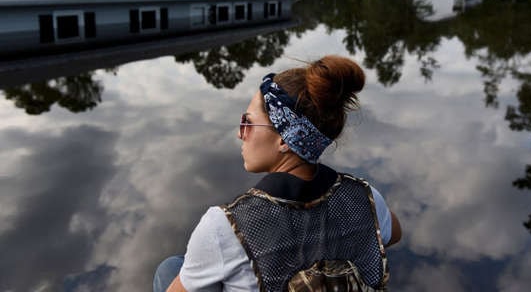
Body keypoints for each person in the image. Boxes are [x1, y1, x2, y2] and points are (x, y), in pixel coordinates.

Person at [154, 55, 402, 292]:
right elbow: (393, 234)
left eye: (248, 122)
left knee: (171, 268)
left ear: (285, 139)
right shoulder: (366, 198)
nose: (240, 133)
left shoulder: (225, 226)